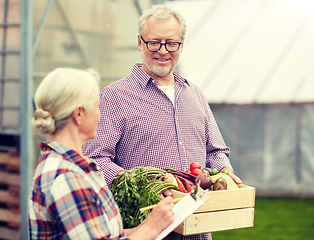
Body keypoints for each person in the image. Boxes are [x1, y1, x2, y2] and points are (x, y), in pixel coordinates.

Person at [83, 4, 242, 240]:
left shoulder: (195, 94)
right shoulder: (113, 97)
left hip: (198, 230)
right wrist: (143, 185)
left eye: (171, 43)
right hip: (145, 230)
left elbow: (216, 150)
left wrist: (224, 172)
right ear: (140, 42)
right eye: (154, 42)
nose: (163, 51)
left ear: (181, 44)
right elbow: (95, 159)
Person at [28, 68, 174, 240]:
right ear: (79, 114)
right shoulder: (68, 176)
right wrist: (151, 227)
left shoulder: (71, 165)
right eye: (97, 107)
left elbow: (102, 234)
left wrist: (140, 229)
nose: (99, 116)